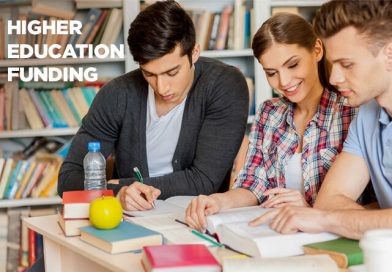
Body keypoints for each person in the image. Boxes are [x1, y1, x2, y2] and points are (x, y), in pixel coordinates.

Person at [57, 0, 249, 212]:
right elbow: (68, 180)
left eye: (172, 72)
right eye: (149, 74)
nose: (162, 87)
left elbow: (203, 181)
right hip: (130, 219)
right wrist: (118, 196)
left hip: (196, 220)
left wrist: (120, 186)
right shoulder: (117, 94)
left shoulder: (224, 85)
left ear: (194, 52)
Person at [185, 13, 356, 232]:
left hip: (334, 238)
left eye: (293, 65)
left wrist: (310, 211)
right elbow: (252, 185)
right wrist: (218, 202)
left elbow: (371, 205)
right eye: (271, 73)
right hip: (277, 235)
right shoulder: (269, 113)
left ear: (317, 50)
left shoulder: (350, 112)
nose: (283, 82)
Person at [249, 0, 392, 239]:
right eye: (333, 64)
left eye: (346, 64)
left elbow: (324, 214)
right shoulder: (366, 116)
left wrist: (324, 219)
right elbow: (328, 203)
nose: (334, 77)